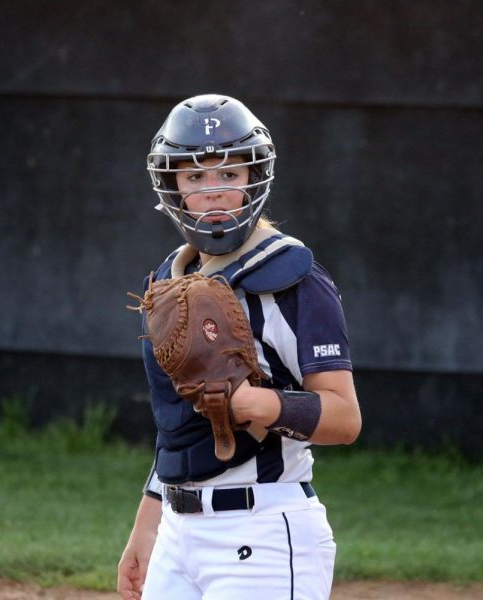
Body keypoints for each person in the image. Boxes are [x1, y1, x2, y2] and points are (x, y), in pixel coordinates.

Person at [117, 94, 361, 600]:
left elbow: (345, 418)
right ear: (172, 186)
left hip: (264, 528)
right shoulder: (170, 281)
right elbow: (179, 428)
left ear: (255, 178)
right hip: (179, 534)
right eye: (196, 177)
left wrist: (260, 403)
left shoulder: (295, 277)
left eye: (230, 174)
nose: (214, 191)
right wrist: (148, 525)